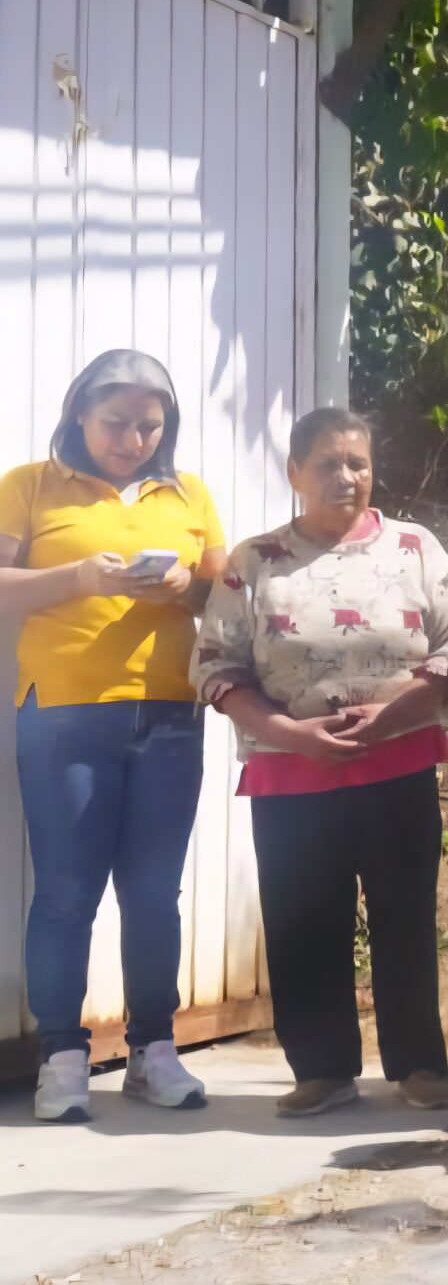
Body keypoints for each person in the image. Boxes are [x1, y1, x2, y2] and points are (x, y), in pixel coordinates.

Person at [193, 408, 448, 1117]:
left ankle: (417, 1065)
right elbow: (216, 665)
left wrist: (390, 716)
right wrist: (291, 733)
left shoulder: (413, 548)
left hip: (398, 765)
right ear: (294, 472)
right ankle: (321, 1069)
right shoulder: (256, 563)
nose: (346, 476)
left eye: (357, 461)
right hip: (291, 773)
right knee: (301, 919)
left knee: (404, 916)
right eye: (327, 462)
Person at [2, 350, 227, 1123]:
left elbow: (223, 590)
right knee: (66, 895)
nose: (133, 439)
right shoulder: (30, 485)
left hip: (168, 714)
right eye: (116, 423)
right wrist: (77, 579)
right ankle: (61, 1060)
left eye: (149, 425)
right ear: (77, 416)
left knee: (154, 894)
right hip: (64, 711)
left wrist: (184, 587)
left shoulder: (187, 493)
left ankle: (153, 1051)